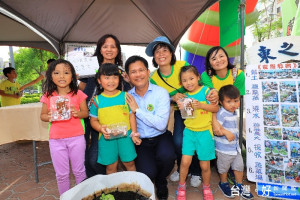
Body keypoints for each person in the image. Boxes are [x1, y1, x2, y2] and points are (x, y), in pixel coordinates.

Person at [145, 36, 203, 187]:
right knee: (178, 141)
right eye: (157, 52)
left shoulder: (182, 65)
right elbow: (157, 99)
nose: (161, 54)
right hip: (178, 111)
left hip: (194, 108)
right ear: (154, 56)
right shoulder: (154, 77)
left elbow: (198, 82)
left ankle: (196, 171)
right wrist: (172, 97)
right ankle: (183, 167)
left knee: (196, 137)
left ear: (171, 53)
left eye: (165, 50)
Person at [125, 55, 176, 200]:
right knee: (147, 172)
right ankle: (153, 178)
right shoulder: (127, 96)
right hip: (141, 141)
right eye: (133, 72)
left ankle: (161, 181)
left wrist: (137, 110)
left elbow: (161, 125)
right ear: (128, 77)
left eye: (141, 70)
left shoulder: (161, 93)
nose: (138, 74)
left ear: (148, 72)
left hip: (161, 136)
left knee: (168, 158)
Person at [79, 34, 130, 177]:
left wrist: (128, 81)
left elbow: (127, 95)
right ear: (100, 50)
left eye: (113, 46)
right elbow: (80, 89)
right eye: (105, 46)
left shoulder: (121, 71)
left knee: (94, 159)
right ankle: (91, 182)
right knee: (82, 151)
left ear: (118, 50)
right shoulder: (89, 67)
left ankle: (107, 180)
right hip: (86, 115)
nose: (109, 49)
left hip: (106, 120)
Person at [40, 59, 89, 195]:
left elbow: (85, 113)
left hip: (77, 138)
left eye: (66, 72)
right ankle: (65, 197)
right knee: (61, 174)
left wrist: (77, 113)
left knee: (79, 171)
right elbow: (42, 115)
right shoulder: (48, 96)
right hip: (56, 140)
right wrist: (49, 116)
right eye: (57, 73)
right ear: (51, 76)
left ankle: (83, 196)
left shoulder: (78, 94)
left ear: (72, 76)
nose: (62, 76)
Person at [175, 65, 219, 200]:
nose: (188, 82)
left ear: (198, 77)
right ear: (181, 83)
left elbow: (215, 108)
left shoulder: (207, 91)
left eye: (191, 78)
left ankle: (206, 187)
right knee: (184, 162)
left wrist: (200, 105)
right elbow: (186, 114)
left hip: (205, 133)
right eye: (185, 80)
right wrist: (181, 105)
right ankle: (181, 186)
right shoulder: (184, 96)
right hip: (189, 132)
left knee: (204, 165)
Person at [89, 63, 137, 174]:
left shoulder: (126, 96)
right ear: (99, 81)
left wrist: (134, 133)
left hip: (126, 137)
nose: (111, 81)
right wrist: (101, 129)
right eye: (107, 78)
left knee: (129, 163)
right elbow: (93, 120)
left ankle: (134, 187)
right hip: (106, 138)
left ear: (119, 79)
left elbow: (131, 116)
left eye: (115, 77)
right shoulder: (97, 101)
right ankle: (113, 189)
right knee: (111, 166)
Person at [215, 85, 253, 199]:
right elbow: (216, 129)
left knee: (239, 166)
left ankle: (239, 185)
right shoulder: (221, 113)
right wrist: (226, 132)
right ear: (221, 102)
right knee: (223, 168)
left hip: (235, 147)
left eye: (236, 101)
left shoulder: (233, 112)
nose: (233, 104)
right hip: (224, 148)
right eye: (229, 101)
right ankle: (223, 183)